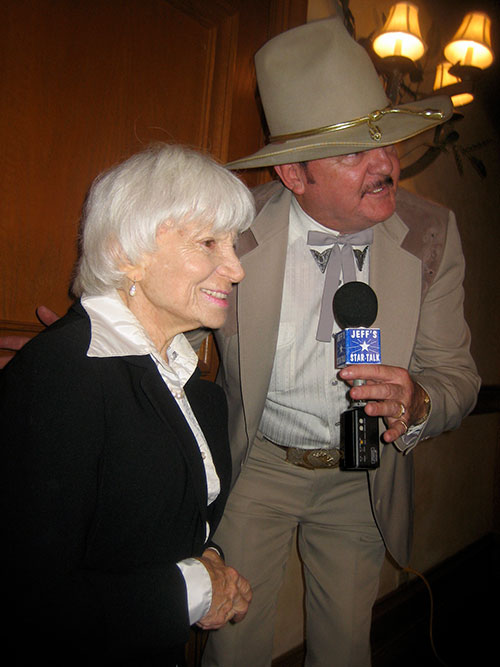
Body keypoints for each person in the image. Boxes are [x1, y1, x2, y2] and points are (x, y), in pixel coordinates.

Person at [198, 18, 481, 667]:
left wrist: (419, 400)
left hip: (362, 472)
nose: (386, 165)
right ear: (293, 174)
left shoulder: (432, 234)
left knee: (345, 650)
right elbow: (165, 323)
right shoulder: (233, 230)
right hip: (259, 465)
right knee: (232, 646)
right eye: (354, 152)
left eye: (384, 142)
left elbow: (459, 378)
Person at [0, 144, 254, 666]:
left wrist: (210, 561)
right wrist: (196, 589)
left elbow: (159, 524)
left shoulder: (194, 386)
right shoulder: (60, 377)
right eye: (209, 242)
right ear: (124, 254)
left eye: (233, 245)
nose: (235, 269)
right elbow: (28, 600)